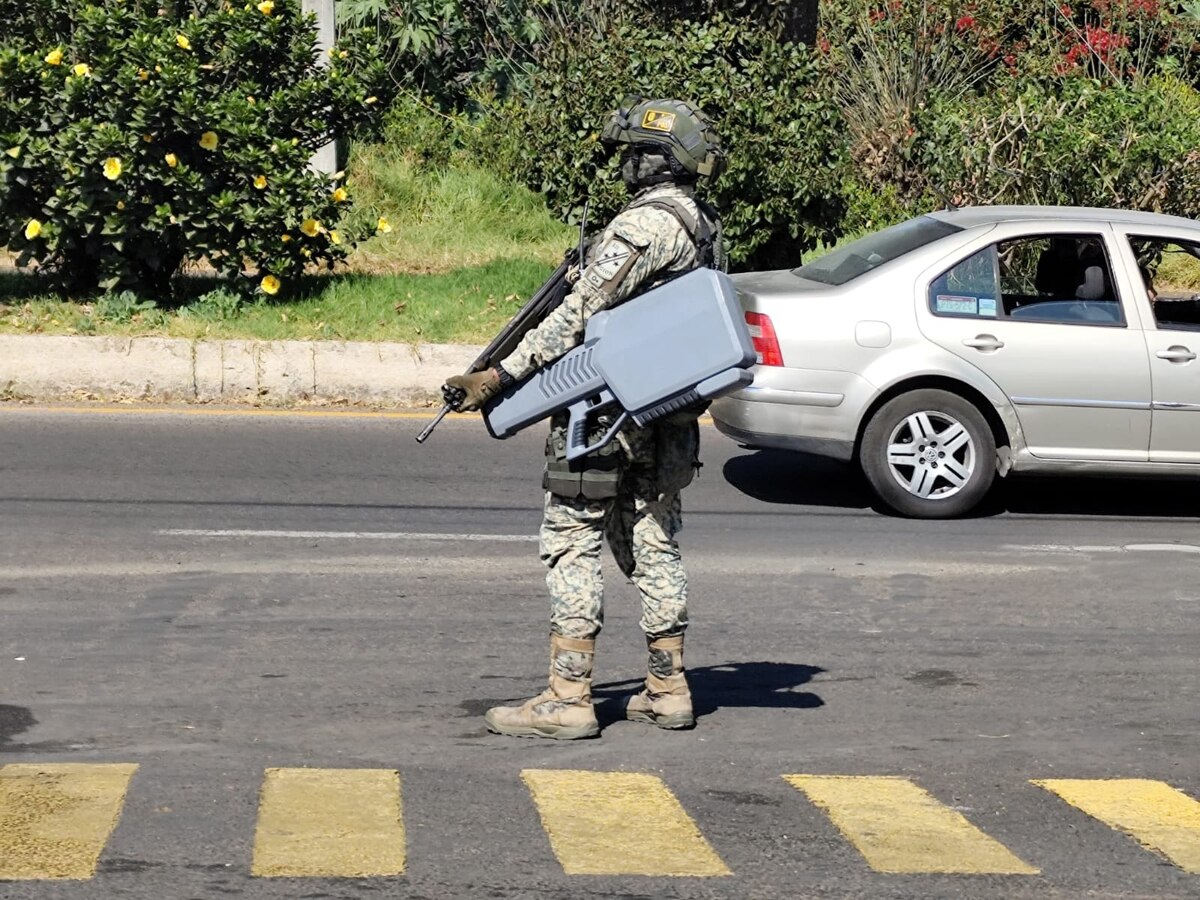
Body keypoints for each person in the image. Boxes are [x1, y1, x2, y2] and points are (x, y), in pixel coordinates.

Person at [443, 97, 727, 740]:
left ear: (655, 161)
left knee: (572, 539)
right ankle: (668, 687)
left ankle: (568, 697)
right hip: (666, 416)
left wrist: (499, 376)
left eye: (632, 154)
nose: (623, 165)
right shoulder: (702, 224)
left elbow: (578, 315)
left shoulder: (645, 227)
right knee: (654, 540)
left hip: (606, 417)